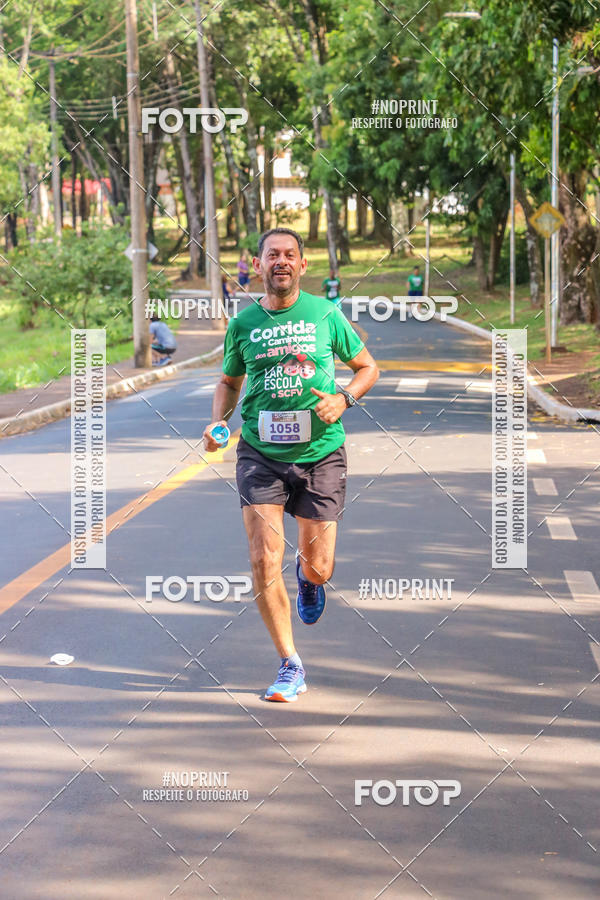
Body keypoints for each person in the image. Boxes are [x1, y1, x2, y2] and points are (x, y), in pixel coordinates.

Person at [203, 227, 379, 702]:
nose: (280, 261)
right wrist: (218, 422)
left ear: (302, 265)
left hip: (321, 452)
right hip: (259, 452)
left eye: (289, 255)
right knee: (263, 559)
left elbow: (368, 368)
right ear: (256, 266)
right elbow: (228, 382)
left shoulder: (325, 313)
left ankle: (309, 581)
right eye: (271, 255)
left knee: (318, 565)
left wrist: (344, 400)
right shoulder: (243, 324)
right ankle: (289, 663)